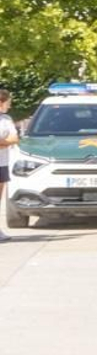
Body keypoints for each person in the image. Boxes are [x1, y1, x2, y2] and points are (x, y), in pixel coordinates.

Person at [0, 89, 17, 241]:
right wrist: (5, 142)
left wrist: (3, 142)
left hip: (1, 163)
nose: (9, 106)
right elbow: (8, 140)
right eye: (8, 103)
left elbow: (14, 139)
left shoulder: (6, 119)